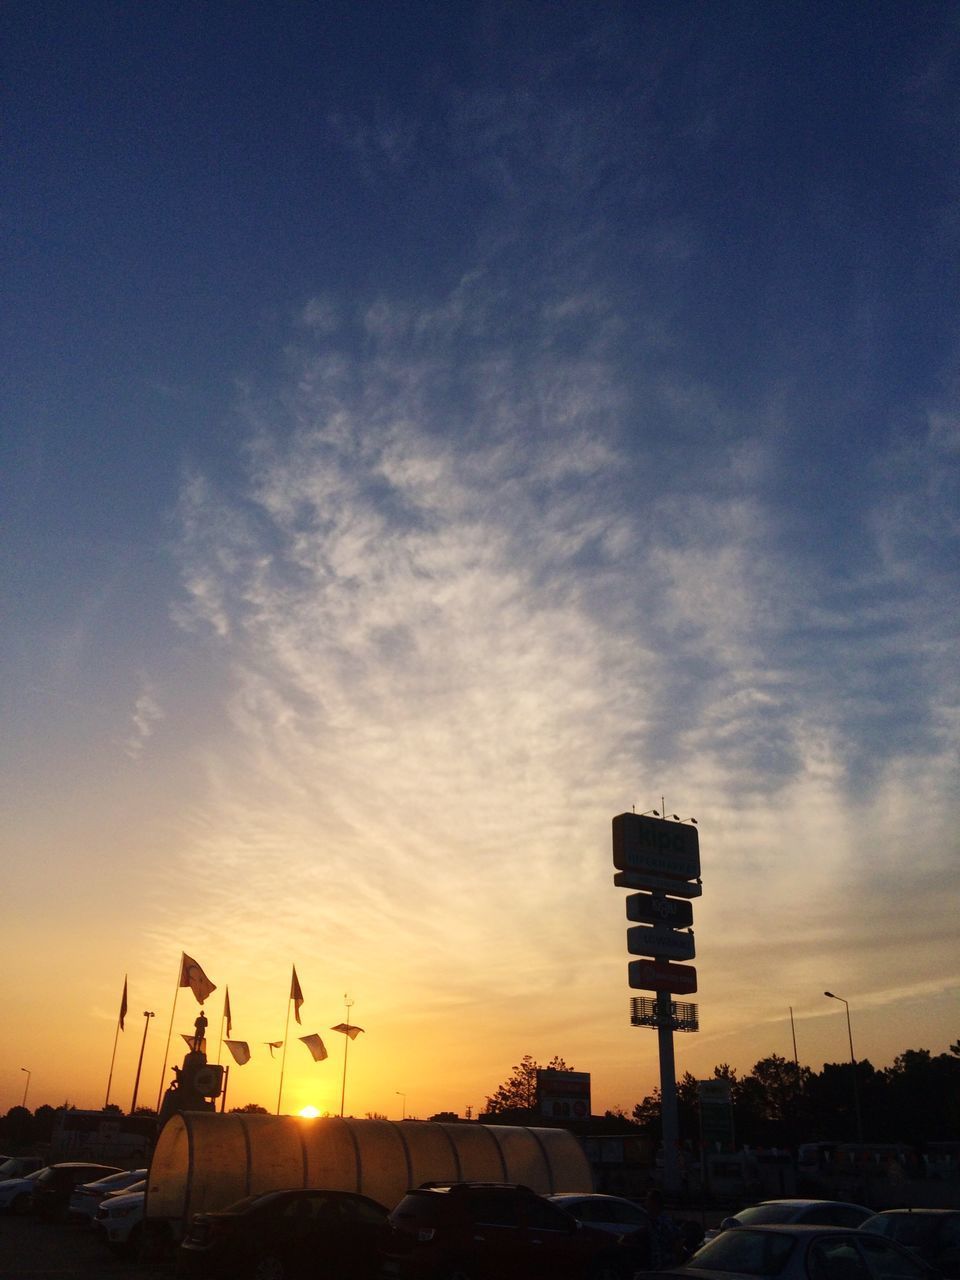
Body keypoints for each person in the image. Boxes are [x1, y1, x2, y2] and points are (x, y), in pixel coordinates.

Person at [645, 1188, 682, 1269]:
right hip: (657, 1265)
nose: (646, 1204)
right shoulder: (652, 1222)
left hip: (666, 1266)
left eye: (648, 1201)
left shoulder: (665, 1223)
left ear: (654, 1204)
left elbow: (677, 1242)